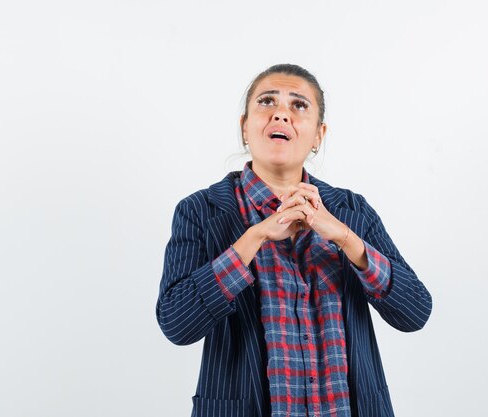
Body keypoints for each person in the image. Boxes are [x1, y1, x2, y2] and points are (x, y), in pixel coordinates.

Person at [156, 64, 433, 417]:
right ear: (245, 127)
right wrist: (254, 237)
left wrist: (346, 239)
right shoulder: (200, 212)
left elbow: (415, 312)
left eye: (299, 105)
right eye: (266, 102)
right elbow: (176, 324)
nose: (281, 115)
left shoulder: (352, 210)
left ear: (319, 135)